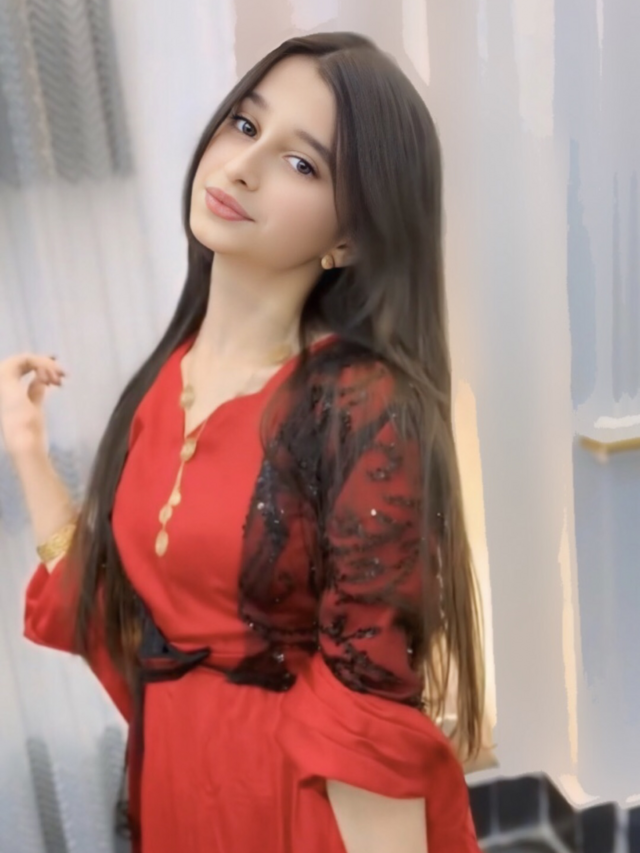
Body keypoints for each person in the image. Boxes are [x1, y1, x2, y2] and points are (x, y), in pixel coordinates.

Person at [0, 31, 487, 853]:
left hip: (292, 806)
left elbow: (369, 716)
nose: (241, 167)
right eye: (245, 125)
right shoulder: (170, 375)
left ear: (350, 238)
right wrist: (26, 448)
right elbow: (124, 619)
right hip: (179, 782)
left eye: (302, 164)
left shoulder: (360, 404)